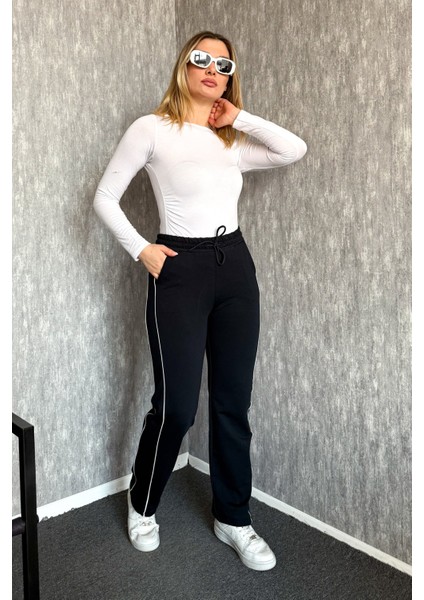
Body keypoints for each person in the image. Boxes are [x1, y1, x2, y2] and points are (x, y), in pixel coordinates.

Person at [93, 31, 307, 571]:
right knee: (177, 406)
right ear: (184, 66)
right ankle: (143, 503)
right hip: (180, 269)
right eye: (202, 59)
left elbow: (293, 149)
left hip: (234, 267)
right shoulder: (151, 129)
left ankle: (233, 517)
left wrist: (239, 117)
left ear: (229, 77)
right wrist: (142, 249)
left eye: (223, 64)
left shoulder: (229, 140)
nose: (212, 69)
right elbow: (105, 197)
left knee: (233, 402)